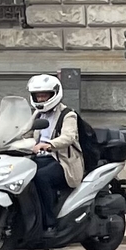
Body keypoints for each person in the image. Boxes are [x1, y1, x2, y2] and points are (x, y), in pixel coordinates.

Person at [23, 73, 84, 230]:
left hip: (63, 161)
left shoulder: (68, 114)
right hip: (41, 158)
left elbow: (68, 137)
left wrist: (48, 145)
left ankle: (49, 222)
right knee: (21, 175)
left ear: (54, 94)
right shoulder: (37, 114)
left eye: (44, 95)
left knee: (41, 177)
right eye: (38, 96)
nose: (41, 99)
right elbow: (25, 133)